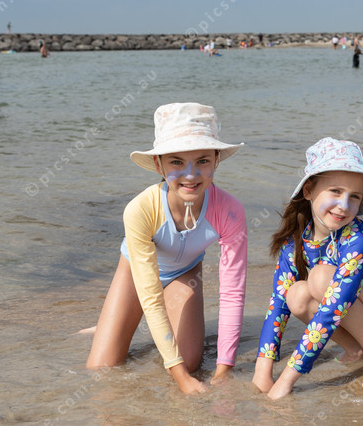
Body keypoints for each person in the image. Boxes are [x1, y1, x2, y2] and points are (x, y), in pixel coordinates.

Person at [252, 138, 363, 400]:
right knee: (296, 294)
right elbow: (278, 304)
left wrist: (287, 380)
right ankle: (356, 349)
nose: (344, 205)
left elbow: (332, 309)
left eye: (354, 196)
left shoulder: (357, 240)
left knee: (321, 277)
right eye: (335, 191)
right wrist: (263, 369)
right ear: (308, 190)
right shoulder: (295, 242)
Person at [85, 103, 247, 395]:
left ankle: (123, 322)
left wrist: (224, 368)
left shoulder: (230, 211)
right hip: (135, 275)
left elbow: (232, 292)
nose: (190, 175)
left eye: (202, 161)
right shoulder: (140, 209)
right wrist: (181, 378)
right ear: (159, 165)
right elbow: (150, 295)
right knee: (102, 368)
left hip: (185, 273)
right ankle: (113, 322)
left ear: (216, 160)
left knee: (192, 362)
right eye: (176, 162)